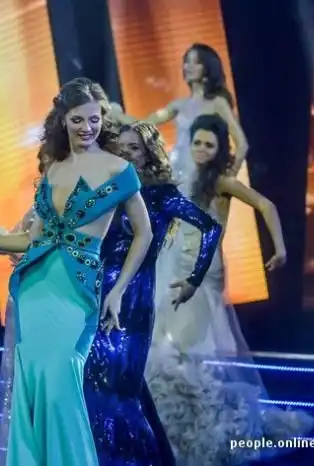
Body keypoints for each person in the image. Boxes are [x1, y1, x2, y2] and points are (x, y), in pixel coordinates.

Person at [0, 77, 153, 465]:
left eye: (94, 119)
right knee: (33, 386)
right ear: (63, 120)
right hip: (35, 288)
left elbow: (145, 233)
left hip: (77, 289)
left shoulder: (119, 169)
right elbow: (31, 240)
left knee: (60, 384)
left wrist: (119, 290)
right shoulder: (54, 169)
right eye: (78, 120)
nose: (87, 127)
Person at [146, 114, 314, 465]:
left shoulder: (222, 182)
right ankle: (182, 432)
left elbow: (265, 205)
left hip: (203, 273)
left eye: (209, 145)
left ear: (220, 149)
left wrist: (280, 248)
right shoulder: (183, 177)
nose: (201, 149)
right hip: (175, 267)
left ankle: (210, 434)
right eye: (197, 142)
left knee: (188, 351)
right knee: (170, 351)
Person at [83, 120, 222, 466]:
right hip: (94, 294)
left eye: (134, 148)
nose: (126, 154)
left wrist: (193, 280)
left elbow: (210, 228)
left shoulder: (162, 195)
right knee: (94, 383)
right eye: (121, 148)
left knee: (122, 386)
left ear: (148, 155)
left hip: (133, 299)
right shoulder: (108, 190)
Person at [144, 43, 248, 193]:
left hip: (201, 179)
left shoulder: (217, 103)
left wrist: (228, 179)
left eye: (196, 62)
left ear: (208, 68)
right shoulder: (178, 105)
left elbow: (242, 145)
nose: (189, 66)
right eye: (187, 61)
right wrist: (115, 114)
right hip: (176, 173)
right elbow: (143, 124)